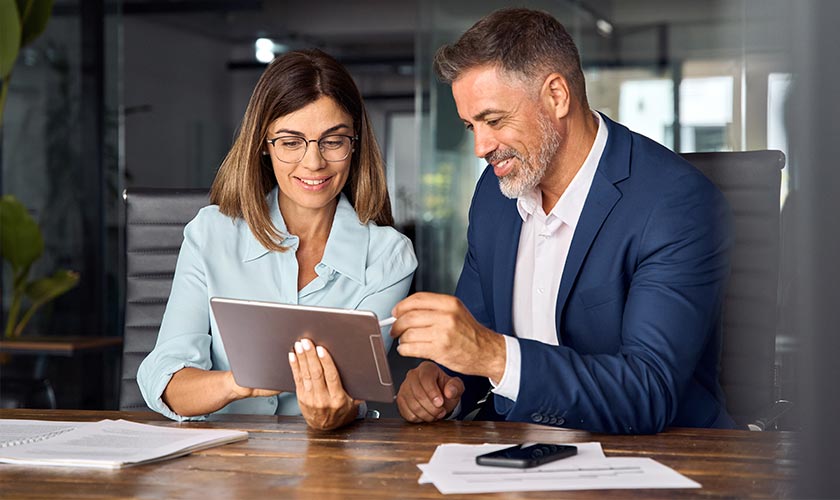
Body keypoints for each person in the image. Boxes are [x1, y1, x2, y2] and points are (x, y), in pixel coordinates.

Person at [390, 8, 734, 434]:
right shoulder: (495, 196)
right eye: (470, 126)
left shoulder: (675, 204)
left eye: (494, 120)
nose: (480, 147)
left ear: (556, 95)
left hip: (653, 457)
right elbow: (478, 338)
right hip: (512, 452)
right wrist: (443, 381)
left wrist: (494, 356)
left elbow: (650, 392)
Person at [137, 49, 417, 430]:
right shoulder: (210, 234)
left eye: (332, 141)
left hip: (329, 463)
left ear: (355, 144)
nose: (313, 162)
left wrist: (336, 412)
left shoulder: (389, 256)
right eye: (291, 142)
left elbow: (355, 392)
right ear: (263, 146)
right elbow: (166, 380)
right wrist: (240, 382)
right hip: (221, 465)